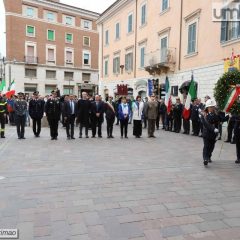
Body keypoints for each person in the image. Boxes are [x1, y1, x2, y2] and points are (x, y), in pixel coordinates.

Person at [200, 99, 219, 166]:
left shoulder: (216, 114)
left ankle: (209, 156)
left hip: (214, 134)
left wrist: (228, 116)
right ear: (207, 107)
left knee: (211, 147)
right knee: (206, 146)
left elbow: (220, 119)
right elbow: (206, 124)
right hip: (206, 133)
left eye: (212, 107)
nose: (211, 108)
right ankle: (205, 159)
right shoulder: (203, 115)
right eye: (210, 107)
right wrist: (213, 129)